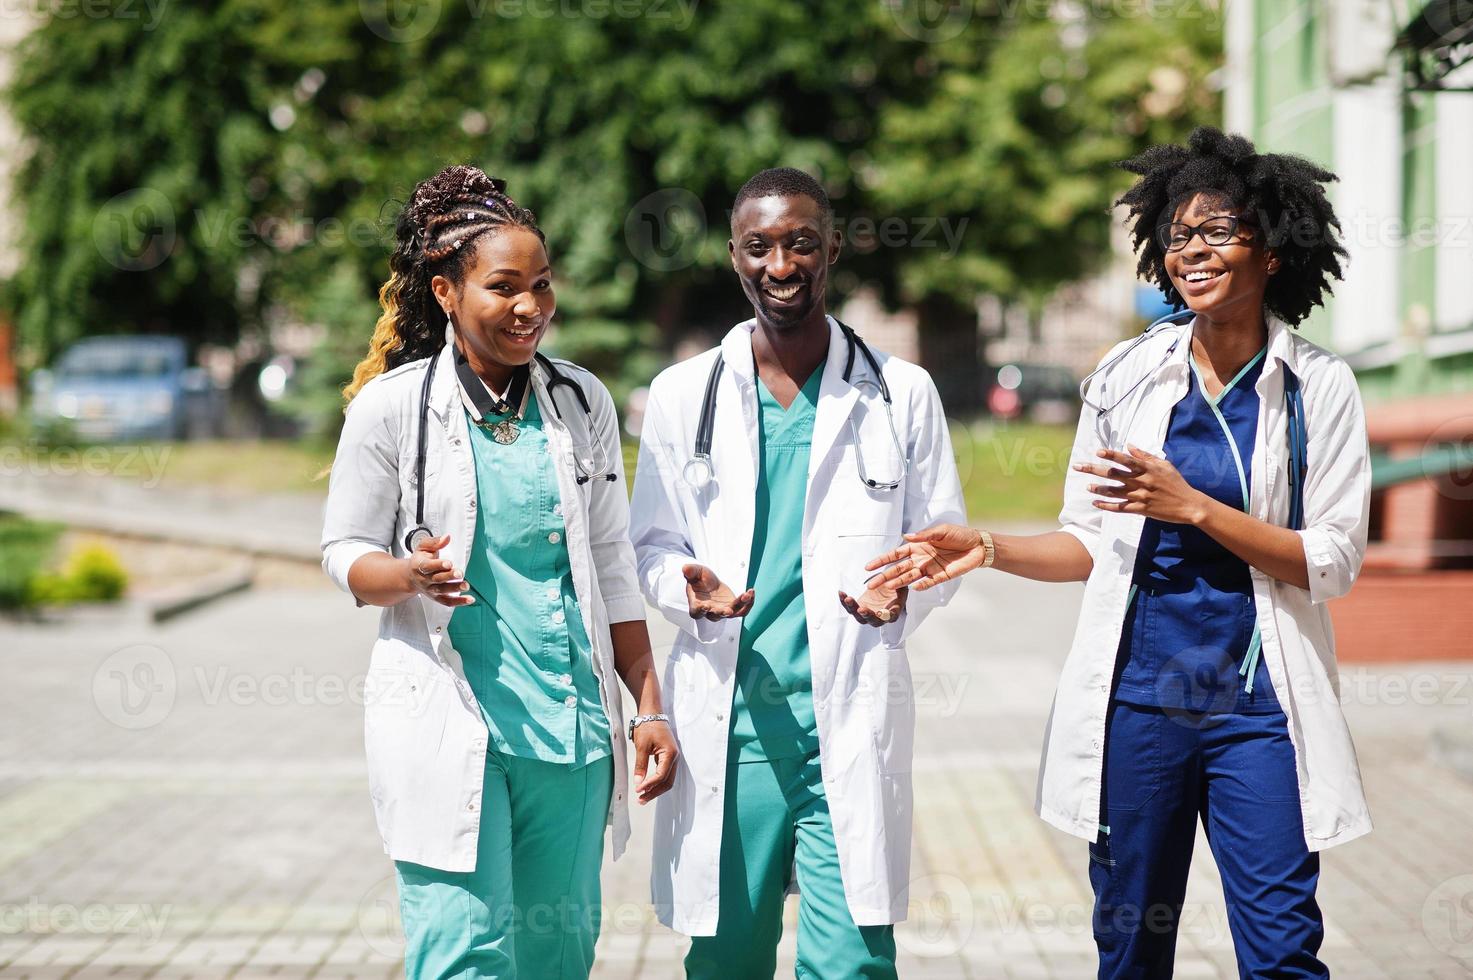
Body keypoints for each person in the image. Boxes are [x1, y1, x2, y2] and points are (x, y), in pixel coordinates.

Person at [867, 127, 1371, 978]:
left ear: (1273, 249)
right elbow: (1090, 543)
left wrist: (1195, 508)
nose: (1191, 250)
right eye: (1177, 235)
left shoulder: (1317, 386)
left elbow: (1331, 560)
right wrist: (987, 546)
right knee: (1132, 946)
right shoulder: (1126, 376)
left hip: (1260, 709)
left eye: (1217, 230)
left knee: (1283, 948)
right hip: (1138, 705)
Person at [319, 165, 678, 980]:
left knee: (557, 956)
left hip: (571, 734)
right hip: (450, 724)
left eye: (542, 287)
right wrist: (406, 574)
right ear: (446, 291)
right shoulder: (392, 407)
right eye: (504, 286)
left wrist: (647, 707)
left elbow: (612, 563)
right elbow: (343, 551)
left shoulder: (580, 401)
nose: (530, 308)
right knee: (463, 958)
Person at [628, 167, 967, 978]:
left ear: (833, 250)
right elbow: (646, 548)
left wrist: (907, 588)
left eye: (801, 244)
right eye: (760, 247)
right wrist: (684, 584)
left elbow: (943, 542)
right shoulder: (683, 396)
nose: (781, 266)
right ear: (734, 257)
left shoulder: (901, 392)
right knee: (727, 961)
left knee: (852, 962)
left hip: (846, 718)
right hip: (734, 725)